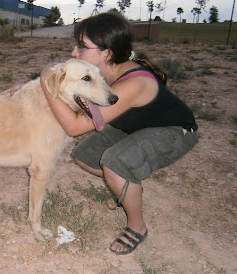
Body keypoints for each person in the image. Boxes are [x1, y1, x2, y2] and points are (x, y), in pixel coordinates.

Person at [39, 12, 199, 255]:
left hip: (174, 131)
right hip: (136, 127)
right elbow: (66, 80)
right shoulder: (100, 72)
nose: (74, 52)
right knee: (84, 155)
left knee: (115, 163)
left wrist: (44, 82)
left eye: (82, 46)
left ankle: (138, 227)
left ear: (107, 52)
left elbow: (74, 127)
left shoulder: (133, 82)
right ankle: (126, 186)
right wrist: (32, 85)